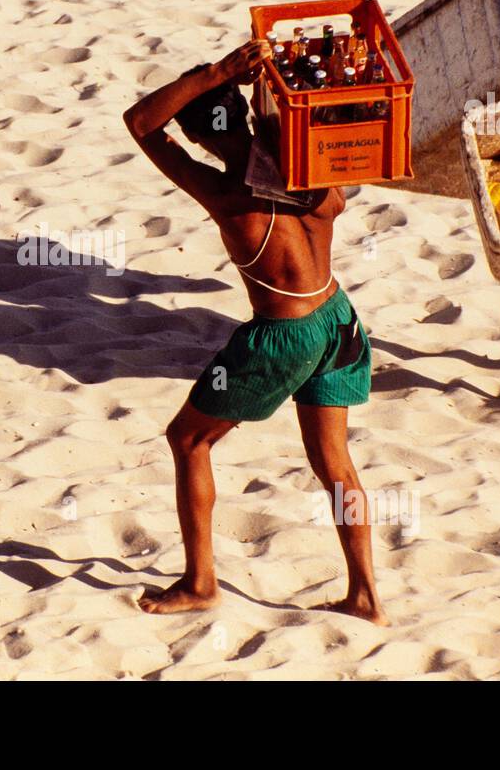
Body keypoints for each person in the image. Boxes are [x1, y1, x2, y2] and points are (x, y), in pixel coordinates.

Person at [121, 42, 386, 624]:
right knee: (335, 462)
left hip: (284, 335)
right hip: (338, 318)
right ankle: (365, 596)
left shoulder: (225, 194)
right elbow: (338, 189)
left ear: (195, 136)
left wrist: (214, 73)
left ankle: (200, 581)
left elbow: (140, 123)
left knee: (189, 440)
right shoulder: (302, 166)